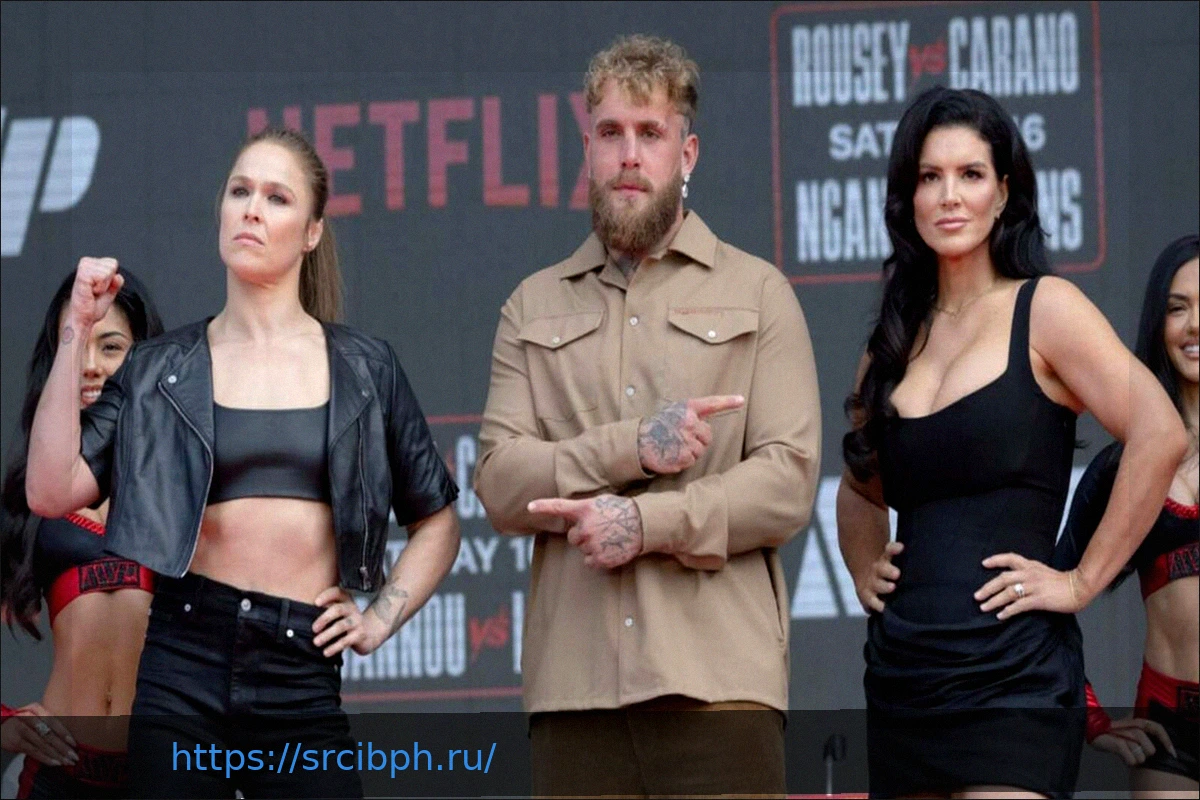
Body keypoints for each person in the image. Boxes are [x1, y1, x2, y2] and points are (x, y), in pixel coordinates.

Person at [23, 128, 460, 799]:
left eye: (277, 198)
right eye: (240, 191)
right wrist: (76, 329)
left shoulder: (365, 367)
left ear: (311, 232)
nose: (252, 209)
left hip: (300, 675)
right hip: (183, 662)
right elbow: (52, 490)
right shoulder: (158, 368)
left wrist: (381, 617)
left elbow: (438, 520)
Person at [474, 34, 821, 796]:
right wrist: (632, 446)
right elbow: (498, 482)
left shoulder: (759, 293)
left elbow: (788, 483)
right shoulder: (531, 306)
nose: (629, 156)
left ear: (686, 154)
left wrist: (645, 524)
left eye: (650, 134)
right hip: (575, 696)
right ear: (587, 150)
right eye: (610, 133)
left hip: (720, 689)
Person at [835, 86, 1187, 798]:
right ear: (909, 198)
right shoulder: (892, 341)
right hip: (905, 673)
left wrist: (1080, 581)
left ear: (1002, 193)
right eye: (929, 177)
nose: (948, 195)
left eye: (970, 174)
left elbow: (1160, 433)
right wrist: (863, 563)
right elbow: (859, 486)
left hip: (1016, 671)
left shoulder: (1046, 308)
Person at [1, 269, 164, 799]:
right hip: (58, 778)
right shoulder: (29, 498)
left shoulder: (182, 486)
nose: (91, 366)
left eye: (111, 347)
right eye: (76, 347)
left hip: (165, 777)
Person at [1060, 235, 1198, 796]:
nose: (1194, 325)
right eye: (1177, 308)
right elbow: (1051, 602)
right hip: (1170, 733)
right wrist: (1091, 718)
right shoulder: (1124, 468)